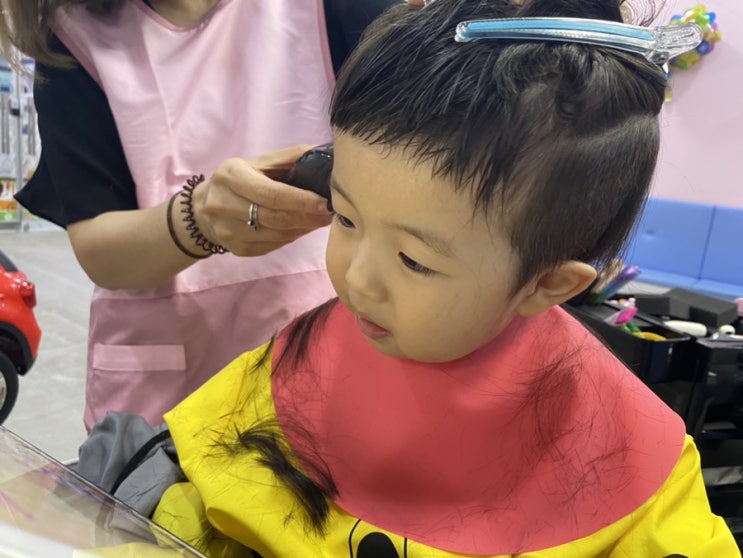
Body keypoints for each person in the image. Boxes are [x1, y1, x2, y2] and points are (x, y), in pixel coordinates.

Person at [77, 0, 736, 555]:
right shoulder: (301, 358)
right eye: (345, 218)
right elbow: (190, 503)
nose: (354, 279)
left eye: (415, 260)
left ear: (548, 284)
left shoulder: (636, 461)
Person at [0, 0, 406, 431]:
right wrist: (199, 219)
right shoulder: (73, 40)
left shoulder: (343, 9)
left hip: (331, 363)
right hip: (162, 401)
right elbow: (100, 248)